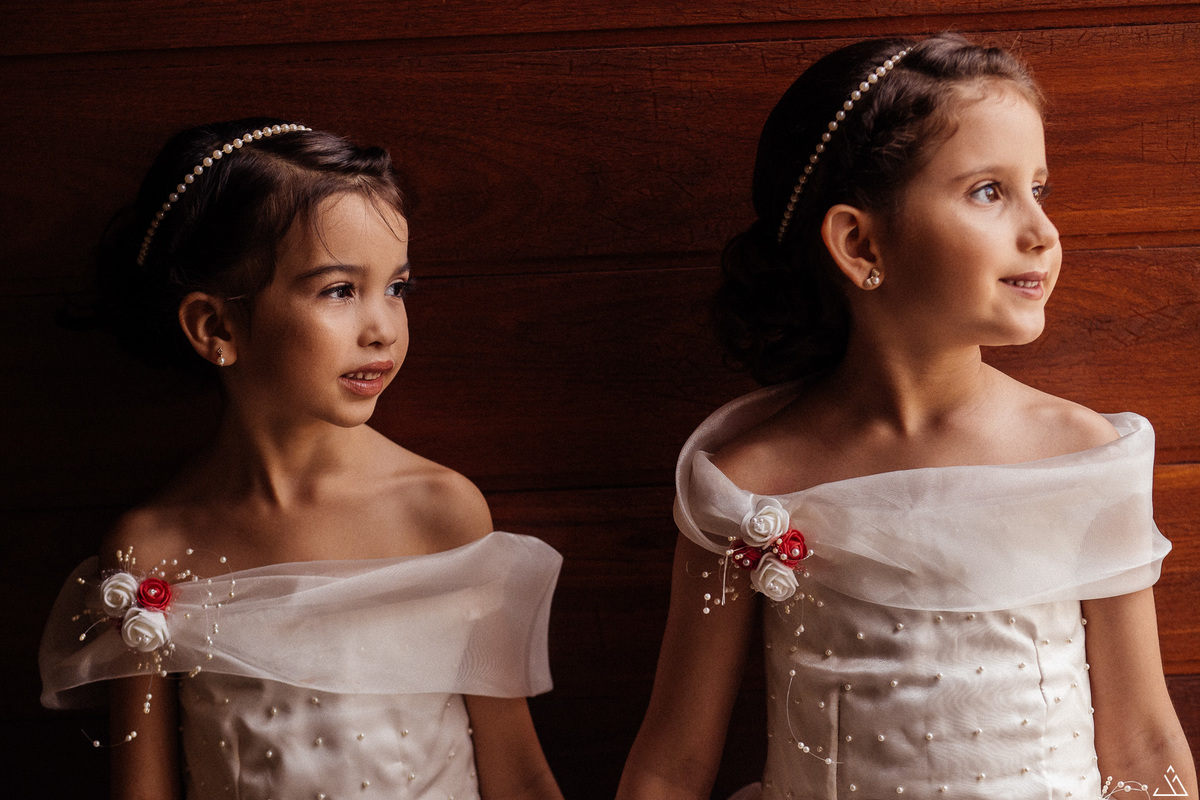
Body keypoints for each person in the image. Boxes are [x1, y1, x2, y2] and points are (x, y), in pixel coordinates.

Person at [617, 34, 1196, 800]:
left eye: (1039, 189)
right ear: (860, 242)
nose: (1043, 232)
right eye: (988, 191)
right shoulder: (749, 487)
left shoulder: (1081, 458)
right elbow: (672, 764)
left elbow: (1145, 741)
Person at [39, 118, 564, 800]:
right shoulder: (154, 550)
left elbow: (517, 772)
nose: (382, 328)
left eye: (397, 288)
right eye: (339, 290)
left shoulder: (439, 511)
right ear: (217, 326)